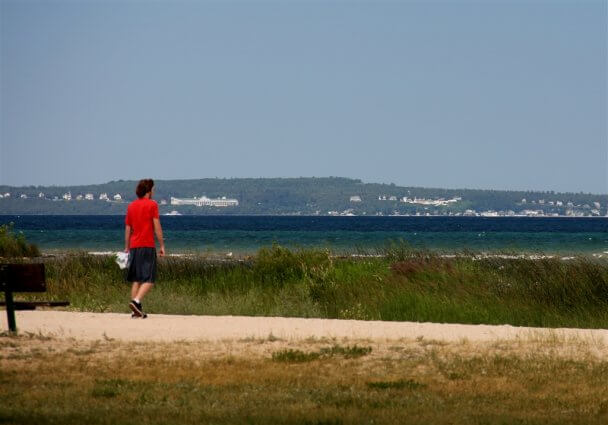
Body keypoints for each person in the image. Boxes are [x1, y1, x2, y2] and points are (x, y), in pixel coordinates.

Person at [124, 179, 165, 318]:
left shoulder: (131, 206)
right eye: (153, 189)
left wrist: (126, 247)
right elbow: (157, 226)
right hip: (147, 245)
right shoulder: (152, 205)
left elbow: (128, 228)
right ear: (148, 191)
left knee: (137, 278)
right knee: (149, 279)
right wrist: (162, 244)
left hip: (134, 246)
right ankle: (136, 301)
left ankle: (134, 311)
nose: (154, 192)